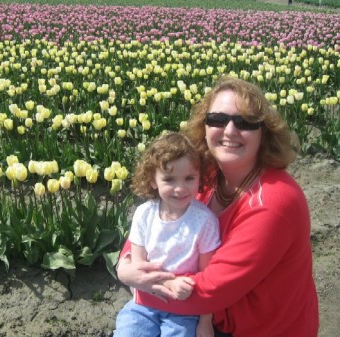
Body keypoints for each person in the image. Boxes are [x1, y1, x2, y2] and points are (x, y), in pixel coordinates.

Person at [116, 75, 319, 337]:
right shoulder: (203, 174)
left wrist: (143, 286)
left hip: (258, 329)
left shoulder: (274, 202)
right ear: (204, 125)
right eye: (218, 119)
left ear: (264, 133)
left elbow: (212, 290)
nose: (230, 131)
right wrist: (126, 265)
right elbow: (153, 218)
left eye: (245, 122)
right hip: (201, 312)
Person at [113, 132, 220, 337]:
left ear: (199, 177)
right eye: (169, 179)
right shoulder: (144, 214)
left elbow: (208, 277)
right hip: (144, 304)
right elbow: (139, 270)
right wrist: (168, 283)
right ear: (153, 180)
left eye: (189, 178)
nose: (180, 188)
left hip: (185, 309)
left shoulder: (205, 222)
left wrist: (206, 322)